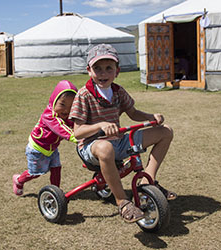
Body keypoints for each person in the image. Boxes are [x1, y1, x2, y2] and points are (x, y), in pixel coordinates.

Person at [69, 44, 176, 223]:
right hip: (91, 146)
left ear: (117, 71)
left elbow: (133, 113)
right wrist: (100, 126)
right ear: (89, 70)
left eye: (108, 68)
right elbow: (78, 133)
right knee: (105, 148)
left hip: (118, 140)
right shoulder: (84, 95)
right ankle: (123, 202)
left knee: (165, 132)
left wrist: (152, 117)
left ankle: (147, 181)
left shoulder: (118, 92)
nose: (103, 73)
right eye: (97, 68)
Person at [13, 80, 78, 196]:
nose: (66, 110)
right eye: (62, 105)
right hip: (37, 149)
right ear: (54, 101)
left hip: (52, 149)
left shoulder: (67, 116)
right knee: (35, 173)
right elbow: (61, 128)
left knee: (56, 168)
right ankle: (18, 180)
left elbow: (76, 124)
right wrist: (77, 137)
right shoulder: (49, 116)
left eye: (71, 106)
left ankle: (55, 192)